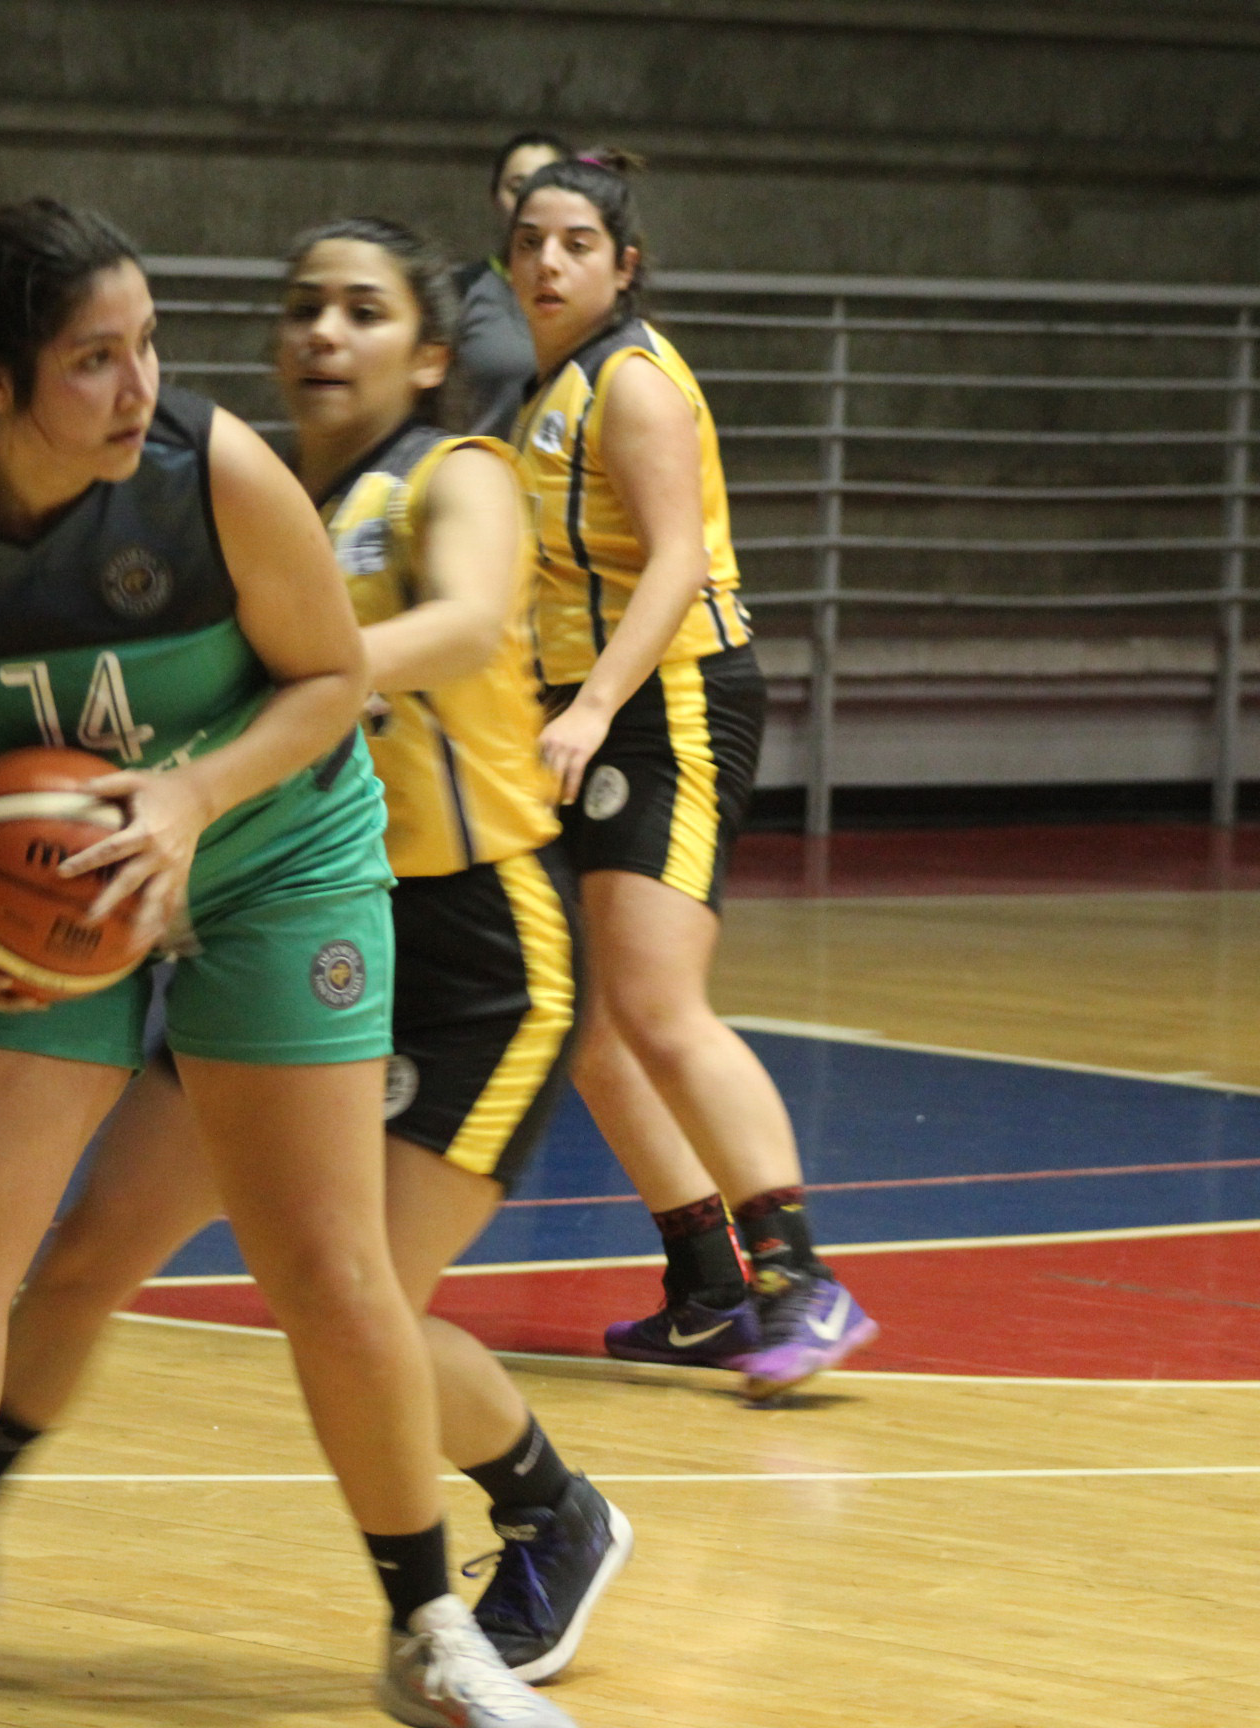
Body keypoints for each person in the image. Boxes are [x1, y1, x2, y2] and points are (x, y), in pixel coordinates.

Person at [0, 218, 628, 1695]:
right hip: (49, 887)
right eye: (96, 358)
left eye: (148, 343)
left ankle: (433, 1632)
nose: (142, 382)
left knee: (331, 1265)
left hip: (274, 853)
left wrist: (191, 794)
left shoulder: (212, 470)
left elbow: (334, 677)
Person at [503, 152, 878, 1394]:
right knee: (591, 1028)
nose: (546, 262)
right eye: (528, 241)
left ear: (625, 265)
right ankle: (711, 1286)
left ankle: (801, 1280)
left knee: (660, 1008)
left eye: (574, 243)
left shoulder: (634, 382)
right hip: (586, 711)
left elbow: (674, 563)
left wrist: (592, 705)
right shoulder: (542, 389)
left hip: (667, 704)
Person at [455, 131, 571, 438]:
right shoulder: (462, 291)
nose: (528, 201)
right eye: (516, 188)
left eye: (544, 186)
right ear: (495, 197)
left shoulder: (594, 294)